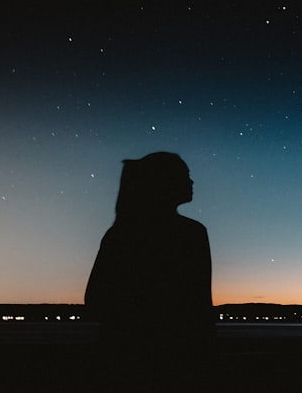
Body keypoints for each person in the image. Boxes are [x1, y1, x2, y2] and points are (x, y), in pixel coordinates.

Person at [85, 152, 214, 385]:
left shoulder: (121, 233)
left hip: (122, 358)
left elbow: (95, 300)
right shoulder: (191, 234)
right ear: (164, 182)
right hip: (174, 358)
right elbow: (200, 303)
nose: (192, 182)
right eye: (185, 175)